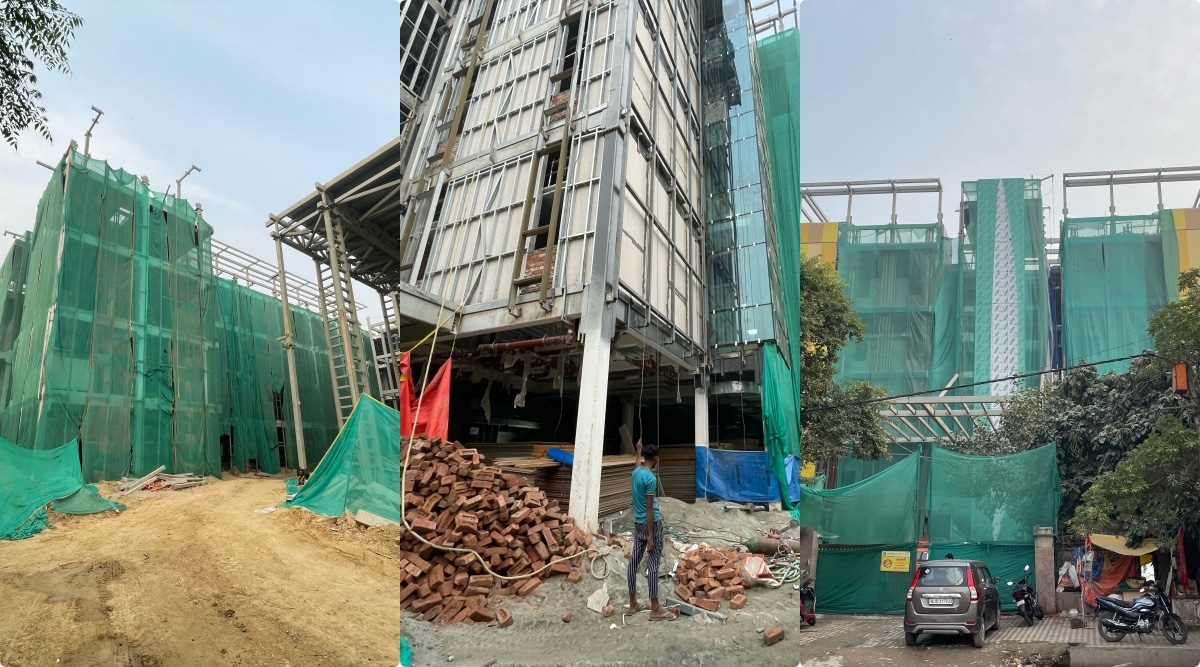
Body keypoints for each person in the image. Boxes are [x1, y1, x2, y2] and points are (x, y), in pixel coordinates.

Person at [628, 440, 674, 621]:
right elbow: (649, 508)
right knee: (653, 565)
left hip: (637, 524)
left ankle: (633, 603)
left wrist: (637, 450)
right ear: (655, 458)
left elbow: (636, 462)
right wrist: (651, 536)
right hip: (651, 524)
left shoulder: (636, 473)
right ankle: (655, 608)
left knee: (633, 563)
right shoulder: (651, 479)